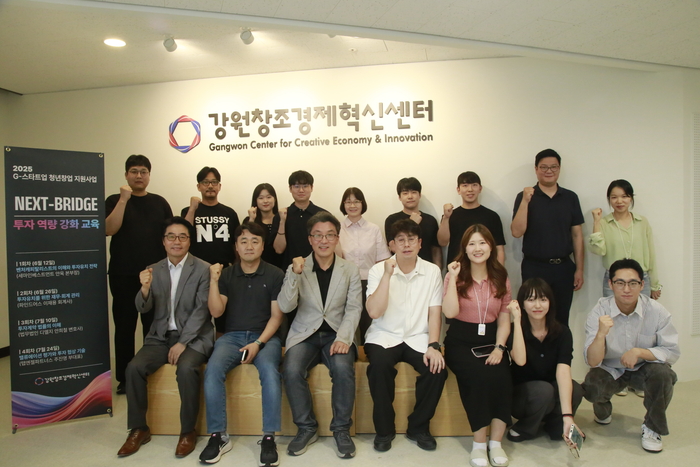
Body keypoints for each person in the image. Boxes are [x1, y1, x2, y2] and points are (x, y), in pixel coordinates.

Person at [117, 217, 213, 458]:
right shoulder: (153, 269)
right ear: (163, 241)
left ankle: (188, 431)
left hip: (194, 337)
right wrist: (144, 289)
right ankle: (139, 428)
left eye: (182, 237)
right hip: (160, 337)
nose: (176, 241)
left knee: (187, 368)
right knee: (134, 368)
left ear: (189, 241)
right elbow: (143, 308)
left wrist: (182, 342)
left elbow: (202, 311)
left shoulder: (203, 268)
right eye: (171, 236)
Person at [278, 211, 362, 459]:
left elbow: (354, 308)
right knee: (291, 369)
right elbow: (285, 306)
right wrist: (294, 275)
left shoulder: (350, 269)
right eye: (318, 235)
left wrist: (344, 338)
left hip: (337, 332)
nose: (324, 240)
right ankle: (306, 427)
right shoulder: (297, 267)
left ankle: (341, 429)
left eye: (329, 235)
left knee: (343, 368)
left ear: (337, 238)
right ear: (310, 239)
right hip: (305, 334)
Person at [200, 222, 284, 466]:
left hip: (265, 337)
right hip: (232, 337)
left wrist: (258, 342)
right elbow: (216, 311)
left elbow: (276, 317)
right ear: (236, 246)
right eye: (243, 241)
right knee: (213, 370)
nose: (249, 246)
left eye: (255, 241)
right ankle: (218, 436)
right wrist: (213, 281)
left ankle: (269, 437)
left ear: (263, 246)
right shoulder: (227, 274)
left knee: (270, 372)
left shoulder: (275, 274)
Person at [582, 258, 680, 453]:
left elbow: (672, 352)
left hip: (644, 369)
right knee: (592, 384)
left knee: (663, 375)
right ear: (611, 284)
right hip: (611, 369)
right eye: (620, 283)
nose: (626, 289)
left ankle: (652, 428)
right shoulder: (599, 311)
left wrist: (639, 352)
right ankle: (602, 408)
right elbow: (592, 361)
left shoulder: (657, 311)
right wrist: (600, 334)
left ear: (642, 285)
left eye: (633, 283)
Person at [365, 219, 446, 453]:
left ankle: (418, 427)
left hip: (418, 337)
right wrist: (387, 276)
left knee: (437, 370)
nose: (406, 244)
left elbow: (435, 312)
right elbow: (374, 312)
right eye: (400, 240)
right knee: (379, 367)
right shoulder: (377, 270)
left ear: (420, 243)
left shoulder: (432, 271)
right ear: (392, 245)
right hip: (383, 335)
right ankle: (384, 430)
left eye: (411, 239)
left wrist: (434, 345)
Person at [442, 224, 511, 467]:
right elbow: (450, 312)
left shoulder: (501, 277)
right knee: (479, 376)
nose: (477, 248)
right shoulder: (454, 276)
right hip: (460, 342)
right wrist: (452, 278)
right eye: (472, 244)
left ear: (491, 247)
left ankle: (496, 443)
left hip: (492, 341)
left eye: (482, 242)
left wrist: (500, 348)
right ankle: (479, 444)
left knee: (502, 376)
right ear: (465, 249)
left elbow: (504, 319)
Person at [106, 154, 173, 394]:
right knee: (124, 327)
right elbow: (108, 229)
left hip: (155, 275)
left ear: (149, 175)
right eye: (134, 171)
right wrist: (124, 200)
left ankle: (150, 373)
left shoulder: (159, 202)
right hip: (122, 275)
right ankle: (125, 379)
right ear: (126, 175)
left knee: (153, 327)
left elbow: (170, 236)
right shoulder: (114, 200)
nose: (139, 176)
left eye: (143, 171)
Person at [506, 278, 584, 446]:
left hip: (548, 393)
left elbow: (563, 371)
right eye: (531, 299)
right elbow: (519, 360)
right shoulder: (514, 330)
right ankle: (525, 427)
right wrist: (517, 320)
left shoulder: (562, 332)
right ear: (522, 304)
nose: (537, 305)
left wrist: (568, 417)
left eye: (543, 299)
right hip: (521, 397)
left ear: (550, 302)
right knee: (543, 390)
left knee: (575, 389)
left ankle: (557, 424)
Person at [511, 148, 584, 325]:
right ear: (536, 169)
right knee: (532, 318)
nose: (549, 171)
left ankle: (559, 346)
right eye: (544, 167)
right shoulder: (524, 196)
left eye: (553, 167)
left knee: (561, 319)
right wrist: (526, 201)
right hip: (534, 267)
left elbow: (577, 235)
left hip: (563, 268)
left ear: (559, 168)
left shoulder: (570, 197)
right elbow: (516, 232)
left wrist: (579, 269)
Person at [181, 166, 240, 335]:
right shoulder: (189, 211)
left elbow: (236, 245)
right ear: (198, 186)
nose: (210, 186)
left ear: (219, 186)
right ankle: (199, 348)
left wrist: (236, 268)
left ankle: (221, 346)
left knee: (224, 319)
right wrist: (192, 209)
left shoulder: (229, 213)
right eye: (205, 182)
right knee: (198, 317)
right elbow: (183, 234)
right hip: (196, 272)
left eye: (214, 182)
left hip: (224, 272)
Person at [589, 179, 661, 299]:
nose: (619, 201)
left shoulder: (642, 222)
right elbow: (598, 251)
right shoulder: (604, 223)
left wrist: (655, 284)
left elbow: (651, 255)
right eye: (614, 197)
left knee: (642, 311)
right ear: (609, 199)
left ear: (631, 198)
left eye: (624, 196)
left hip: (640, 279)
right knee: (612, 311)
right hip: (614, 280)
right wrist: (596, 222)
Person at [337, 187, 391, 343]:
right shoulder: (337, 229)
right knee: (347, 323)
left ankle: (367, 351)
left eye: (356, 201)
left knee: (368, 323)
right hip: (344, 283)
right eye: (348, 202)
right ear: (343, 205)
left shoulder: (373, 229)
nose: (352, 205)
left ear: (363, 204)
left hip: (368, 283)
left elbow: (382, 260)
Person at [438, 171, 506, 265]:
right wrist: (446, 218)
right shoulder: (450, 215)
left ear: (480, 188)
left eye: (474, 185)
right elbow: (442, 242)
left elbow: (499, 249)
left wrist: (499, 272)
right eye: (465, 185)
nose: (470, 189)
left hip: (485, 269)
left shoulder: (492, 216)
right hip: (457, 268)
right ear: (458, 190)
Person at [384, 177, 442, 268]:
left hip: (427, 269)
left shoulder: (430, 220)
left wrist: (438, 270)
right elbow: (393, 248)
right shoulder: (392, 220)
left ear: (419, 195)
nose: (410, 196)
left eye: (414, 192)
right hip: (400, 269)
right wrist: (412, 223)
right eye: (405, 193)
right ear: (399, 197)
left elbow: (435, 249)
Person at [279, 170, 327, 269]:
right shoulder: (282, 215)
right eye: (296, 186)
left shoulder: (323, 215)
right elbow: (278, 249)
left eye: (305, 186)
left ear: (312, 188)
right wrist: (282, 221)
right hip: (289, 270)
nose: (301, 190)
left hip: (318, 269)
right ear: (290, 189)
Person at [244, 183, 285, 270]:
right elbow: (246, 243)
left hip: (281, 266)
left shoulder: (282, 219)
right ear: (256, 201)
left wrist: (282, 221)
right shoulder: (249, 220)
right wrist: (251, 219)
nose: (265, 201)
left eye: (269, 197)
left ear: (274, 199)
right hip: (257, 268)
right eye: (261, 198)